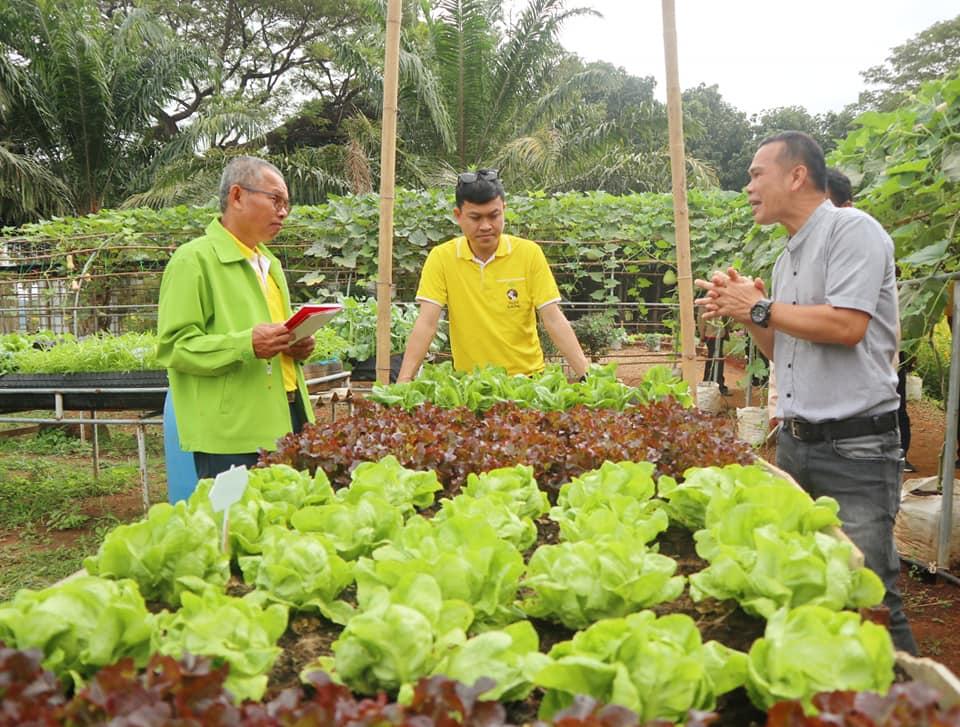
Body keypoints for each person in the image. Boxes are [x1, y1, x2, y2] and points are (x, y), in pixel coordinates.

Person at [695, 131, 917, 654]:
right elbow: (783, 352)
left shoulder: (852, 230)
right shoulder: (786, 256)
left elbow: (846, 327)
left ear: (797, 175)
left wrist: (758, 307)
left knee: (870, 592)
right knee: (816, 580)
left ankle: (915, 704)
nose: (747, 186)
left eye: (755, 174)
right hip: (798, 443)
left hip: (856, 449)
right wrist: (745, 311)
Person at [157, 156, 315, 479]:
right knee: (236, 525)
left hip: (288, 416)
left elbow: (272, 337)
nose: (283, 211)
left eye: (287, 204)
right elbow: (175, 347)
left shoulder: (269, 264)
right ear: (238, 196)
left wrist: (294, 344)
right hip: (233, 434)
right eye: (275, 200)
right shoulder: (193, 260)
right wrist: (247, 344)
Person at [397, 169, 589, 381]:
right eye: (476, 217)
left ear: (504, 210)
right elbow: (427, 323)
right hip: (470, 385)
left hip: (527, 381)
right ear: (458, 216)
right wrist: (404, 381)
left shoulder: (528, 253)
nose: (486, 226)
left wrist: (588, 376)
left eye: (494, 215)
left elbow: (553, 319)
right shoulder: (442, 258)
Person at [697, 305, 730, 394]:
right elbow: (702, 319)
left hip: (715, 333)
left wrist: (702, 335)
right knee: (716, 359)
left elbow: (725, 317)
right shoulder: (707, 301)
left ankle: (710, 382)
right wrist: (702, 334)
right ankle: (718, 385)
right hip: (712, 334)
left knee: (714, 359)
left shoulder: (719, 299)